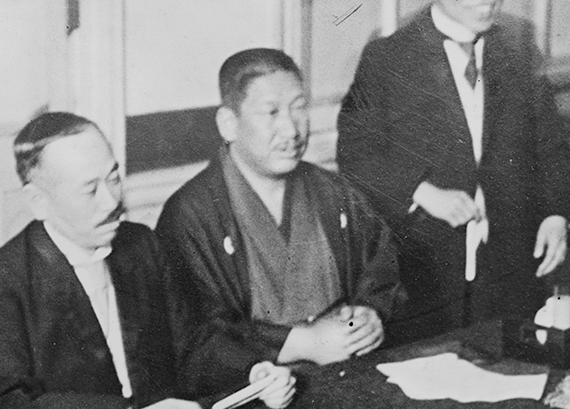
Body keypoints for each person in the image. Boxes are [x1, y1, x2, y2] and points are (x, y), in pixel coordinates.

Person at [0, 112, 294, 409]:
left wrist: (251, 372)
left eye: (114, 178)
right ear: (38, 202)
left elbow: (192, 345)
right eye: (90, 189)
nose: (112, 202)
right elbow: (5, 406)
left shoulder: (141, 245)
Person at [335, 0, 570, 339]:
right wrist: (422, 192)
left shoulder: (518, 52)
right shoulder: (387, 60)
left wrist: (556, 214)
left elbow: (551, 145)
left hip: (509, 268)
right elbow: (356, 153)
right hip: (424, 271)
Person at [155, 48, 402, 375]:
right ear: (229, 124)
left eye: (299, 108)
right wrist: (301, 344)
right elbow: (195, 339)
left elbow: (382, 274)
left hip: (346, 373)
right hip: (252, 392)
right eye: (271, 112)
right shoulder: (190, 214)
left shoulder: (334, 192)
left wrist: (371, 314)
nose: (291, 130)